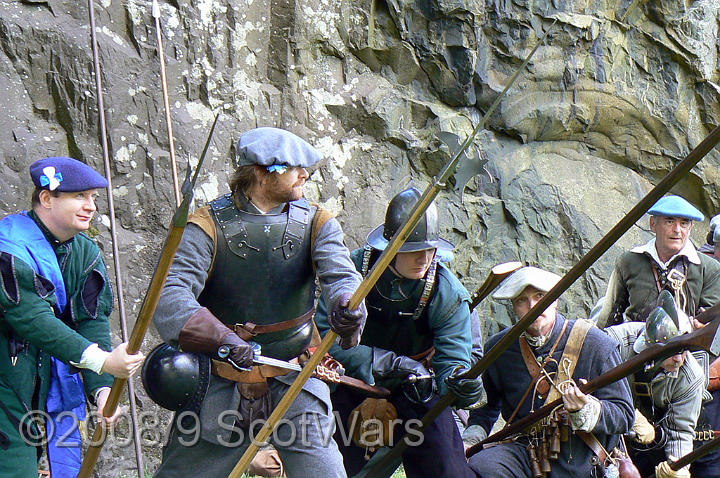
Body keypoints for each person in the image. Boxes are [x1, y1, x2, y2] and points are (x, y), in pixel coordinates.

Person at [150, 127, 366, 478]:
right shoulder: (206, 225)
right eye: (295, 168)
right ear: (264, 173)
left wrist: (348, 306)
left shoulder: (317, 223)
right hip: (218, 384)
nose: (305, 175)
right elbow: (170, 294)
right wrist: (223, 339)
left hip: (295, 377)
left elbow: (342, 276)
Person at [314, 186, 483, 478]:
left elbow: (453, 360)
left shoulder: (447, 291)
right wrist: (389, 362)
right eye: (414, 249)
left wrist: (460, 382)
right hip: (353, 381)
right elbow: (323, 335)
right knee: (327, 464)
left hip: (419, 386)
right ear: (390, 246)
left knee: (449, 469)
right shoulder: (353, 269)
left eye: (430, 249)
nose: (425, 258)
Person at [0, 156, 145, 477]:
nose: (91, 205)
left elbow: (90, 319)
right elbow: (33, 320)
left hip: (42, 387)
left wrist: (103, 388)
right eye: (79, 196)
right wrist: (105, 362)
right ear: (47, 198)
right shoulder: (8, 248)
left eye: (93, 197)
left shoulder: (83, 251)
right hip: (6, 385)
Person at [466, 266, 634, 478]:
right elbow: (485, 410)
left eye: (540, 296)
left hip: (583, 458)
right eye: (521, 300)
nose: (533, 306)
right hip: (526, 453)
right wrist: (470, 441)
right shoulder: (498, 348)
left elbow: (624, 416)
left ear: (555, 300)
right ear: (513, 307)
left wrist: (588, 410)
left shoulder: (596, 344)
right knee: (481, 466)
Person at [605, 297, 704, 478]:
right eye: (673, 352)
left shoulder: (691, 377)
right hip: (605, 423)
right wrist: (627, 415)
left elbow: (680, 432)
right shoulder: (616, 341)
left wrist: (678, 467)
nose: (680, 360)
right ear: (652, 345)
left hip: (651, 442)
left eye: (684, 350)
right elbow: (587, 372)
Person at [595, 195, 720, 329]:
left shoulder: (710, 268)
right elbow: (609, 315)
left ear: (690, 228)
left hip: (689, 346)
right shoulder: (628, 261)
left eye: (684, 223)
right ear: (653, 224)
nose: (677, 230)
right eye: (670, 221)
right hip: (634, 343)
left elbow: (711, 322)